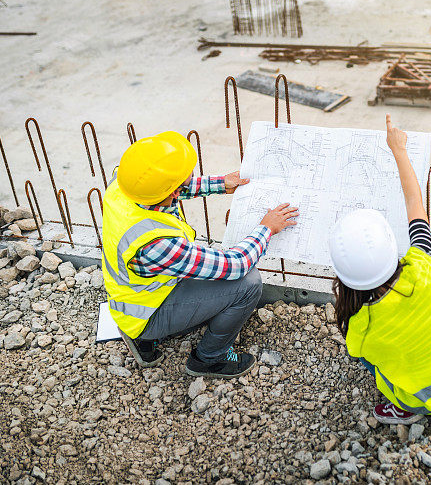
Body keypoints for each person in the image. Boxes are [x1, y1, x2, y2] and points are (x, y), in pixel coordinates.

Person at [328, 115, 431, 425]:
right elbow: (415, 200)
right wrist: (399, 149)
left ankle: (405, 408)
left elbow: (362, 355)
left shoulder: (361, 324)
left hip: (425, 401)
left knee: (369, 361)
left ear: (343, 278)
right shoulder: (422, 264)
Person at [101, 131, 298, 378]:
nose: (191, 176)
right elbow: (235, 265)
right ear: (172, 192)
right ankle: (209, 359)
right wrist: (267, 228)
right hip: (148, 313)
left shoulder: (124, 184)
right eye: (188, 176)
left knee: (217, 276)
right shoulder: (156, 245)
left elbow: (168, 190)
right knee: (248, 283)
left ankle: (143, 339)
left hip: (136, 296)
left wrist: (220, 184)